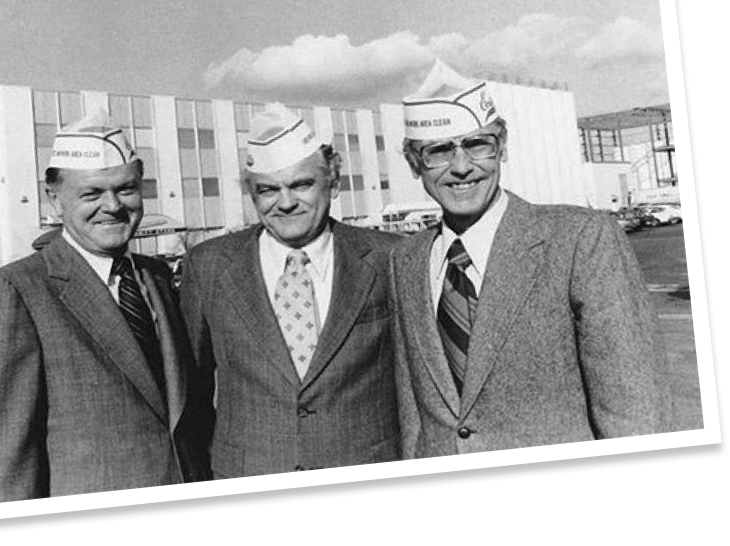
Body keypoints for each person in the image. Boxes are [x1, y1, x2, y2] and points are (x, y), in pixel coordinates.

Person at [391, 60, 667, 457]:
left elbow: (635, 409)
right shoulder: (406, 261)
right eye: (438, 151)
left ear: (502, 147)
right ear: (414, 163)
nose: (461, 167)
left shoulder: (580, 239)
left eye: (477, 144)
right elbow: (413, 417)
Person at [0, 112, 213, 504]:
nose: (112, 206)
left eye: (125, 189)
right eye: (91, 194)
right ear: (55, 200)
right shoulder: (14, 292)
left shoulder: (156, 277)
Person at [181, 103, 402, 477]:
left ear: (333, 179)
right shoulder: (208, 266)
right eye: (267, 190)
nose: (285, 203)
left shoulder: (389, 257)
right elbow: (193, 395)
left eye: (301, 184)